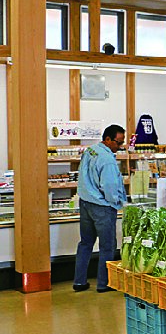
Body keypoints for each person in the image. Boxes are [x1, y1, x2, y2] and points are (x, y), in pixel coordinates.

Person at [73, 124, 128, 293]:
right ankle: (104, 284)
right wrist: (117, 203)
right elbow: (109, 186)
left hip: (85, 202)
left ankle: (79, 282)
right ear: (108, 139)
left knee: (85, 243)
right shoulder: (108, 160)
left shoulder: (91, 150)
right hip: (102, 207)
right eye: (118, 143)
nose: (120, 147)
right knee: (107, 246)